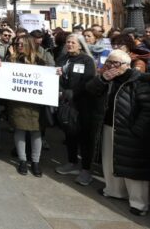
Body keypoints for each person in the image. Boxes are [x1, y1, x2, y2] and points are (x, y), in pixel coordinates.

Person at [87, 50, 150, 217]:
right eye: (109, 62)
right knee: (109, 161)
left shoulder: (139, 80)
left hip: (129, 130)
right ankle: (114, 191)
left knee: (133, 168)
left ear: (126, 65)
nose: (111, 66)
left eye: (115, 63)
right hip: (108, 126)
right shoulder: (107, 78)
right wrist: (103, 78)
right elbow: (90, 91)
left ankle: (139, 204)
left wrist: (137, 130)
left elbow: (148, 109)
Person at [54, 34, 100, 186]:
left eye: (73, 42)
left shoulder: (87, 60)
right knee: (69, 134)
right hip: (66, 104)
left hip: (83, 105)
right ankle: (71, 162)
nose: (69, 44)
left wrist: (70, 93)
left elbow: (87, 81)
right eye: (68, 42)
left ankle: (86, 170)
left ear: (80, 45)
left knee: (85, 137)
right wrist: (60, 86)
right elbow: (56, 77)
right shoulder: (62, 59)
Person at [7, 35, 46, 177]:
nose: (19, 46)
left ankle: (35, 161)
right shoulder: (11, 59)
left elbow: (46, 78)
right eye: (17, 44)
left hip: (34, 103)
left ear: (29, 45)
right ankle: (22, 160)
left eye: (22, 44)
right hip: (17, 102)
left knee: (36, 131)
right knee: (20, 129)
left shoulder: (40, 61)